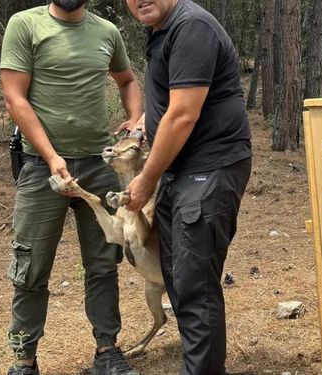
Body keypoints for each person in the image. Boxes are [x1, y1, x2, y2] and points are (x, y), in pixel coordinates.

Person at [0, 1, 143, 374]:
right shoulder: (25, 25)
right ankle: (24, 360)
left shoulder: (106, 31)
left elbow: (127, 79)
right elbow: (15, 97)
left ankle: (107, 352)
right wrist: (51, 158)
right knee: (31, 267)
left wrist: (133, 116)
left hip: (98, 165)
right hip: (40, 169)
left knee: (103, 265)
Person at [121, 0, 252, 374]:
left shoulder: (192, 27)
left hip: (210, 167)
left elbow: (183, 114)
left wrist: (146, 179)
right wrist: (146, 121)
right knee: (179, 278)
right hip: (181, 171)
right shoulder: (162, 29)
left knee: (194, 286)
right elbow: (170, 100)